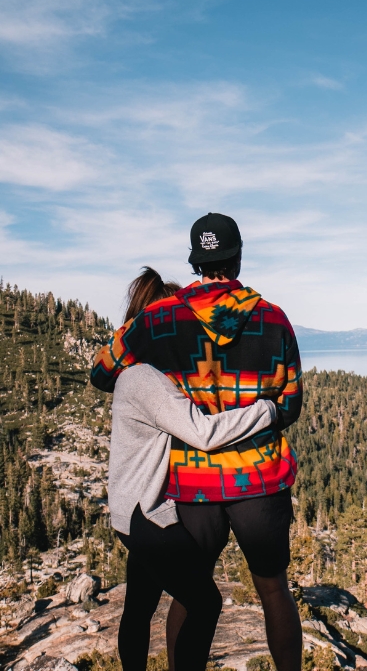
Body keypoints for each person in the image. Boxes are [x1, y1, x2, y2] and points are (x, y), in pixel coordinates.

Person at [92, 214, 303, 671]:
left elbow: (102, 372)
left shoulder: (157, 320)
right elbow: (290, 405)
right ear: (239, 256)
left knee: (191, 593)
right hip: (260, 482)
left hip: (193, 486)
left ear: (195, 263)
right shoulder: (273, 319)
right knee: (273, 589)